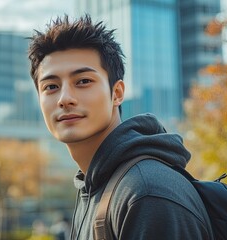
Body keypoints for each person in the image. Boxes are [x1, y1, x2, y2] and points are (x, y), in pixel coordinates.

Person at [28, 15, 214, 239]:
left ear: (116, 93)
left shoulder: (146, 194)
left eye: (83, 81)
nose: (65, 99)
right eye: (51, 86)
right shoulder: (94, 187)